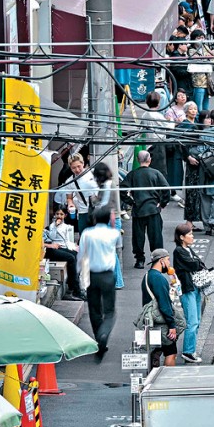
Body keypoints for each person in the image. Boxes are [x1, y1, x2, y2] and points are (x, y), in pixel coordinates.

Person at [77, 204, 122, 359]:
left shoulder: (87, 233)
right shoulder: (114, 234)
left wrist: (78, 274)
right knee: (110, 311)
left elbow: (81, 255)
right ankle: (104, 334)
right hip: (108, 275)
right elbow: (118, 248)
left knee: (94, 309)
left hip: (92, 274)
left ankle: (99, 338)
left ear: (95, 218)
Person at [123, 150, 171, 268]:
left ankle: (140, 260)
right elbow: (167, 189)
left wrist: (131, 202)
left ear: (138, 160)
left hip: (138, 209)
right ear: (149, 160)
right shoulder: (156, 173)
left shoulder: (132, 174)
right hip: (153, 209)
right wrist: (162, 203)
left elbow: (122, 190)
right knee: (155, 236)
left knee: (138, 237)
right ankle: (157, 259)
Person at [171, 222, 206, 364]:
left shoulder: (188, 249)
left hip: (194, 288)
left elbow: (199, 263)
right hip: (187, 289)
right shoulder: (179, 251)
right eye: (190, 234)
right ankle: (188, 351)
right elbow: (195, 264)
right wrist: (196, 263)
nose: (192, 236)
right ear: (181, 237)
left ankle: (191, 349)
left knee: (196, 320)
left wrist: (196, 263)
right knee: (193, 321)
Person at [143, 248, 180, 367]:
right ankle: (167, 380)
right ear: (162, 261)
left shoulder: (148, 275)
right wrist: (172, 325)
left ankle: (154, 371)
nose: (169, 263)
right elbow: (164, 304)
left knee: (157, 349)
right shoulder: (158, 278)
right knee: (171, 353)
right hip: (161, 321)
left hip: (151, 319)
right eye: (168, 260)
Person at [43, 205, 85, 301]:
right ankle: (73, 289)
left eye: (61, 214)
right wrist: (55, 226)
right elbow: (53, 237)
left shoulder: (65, 226)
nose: (59, 216)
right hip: (51, 248)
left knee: (75, 255)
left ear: (65, 215)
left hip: (59, 247)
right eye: (57, 214)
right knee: (70, 258)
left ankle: (76, 286)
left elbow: (66, 239)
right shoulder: (52, 226)